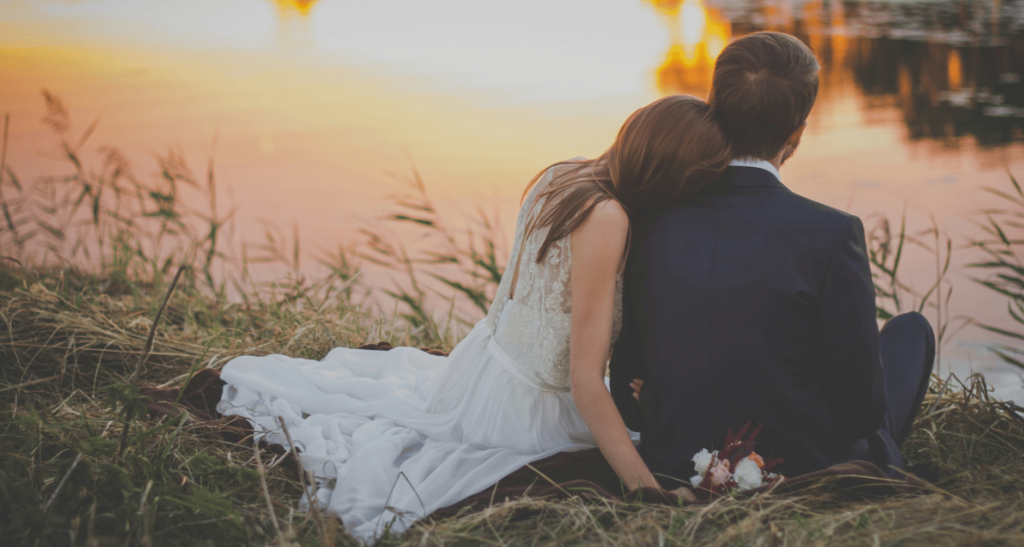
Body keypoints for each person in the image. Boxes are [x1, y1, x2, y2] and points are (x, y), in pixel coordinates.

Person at [217, 95, 733, 540]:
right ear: (673, 175)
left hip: (481, 368)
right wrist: (645, 491)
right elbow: (582, 380)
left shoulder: (565, 173)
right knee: (639, 456)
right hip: (526, 408)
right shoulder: (608, 218)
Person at [610, 32, 936, 486]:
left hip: (675, 457)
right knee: (911, 333)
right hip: (796, 461)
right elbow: (860, 413)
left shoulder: (648, 222)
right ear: (797, 132)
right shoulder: (833, 233)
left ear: (713, 108)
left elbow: (626, 394)